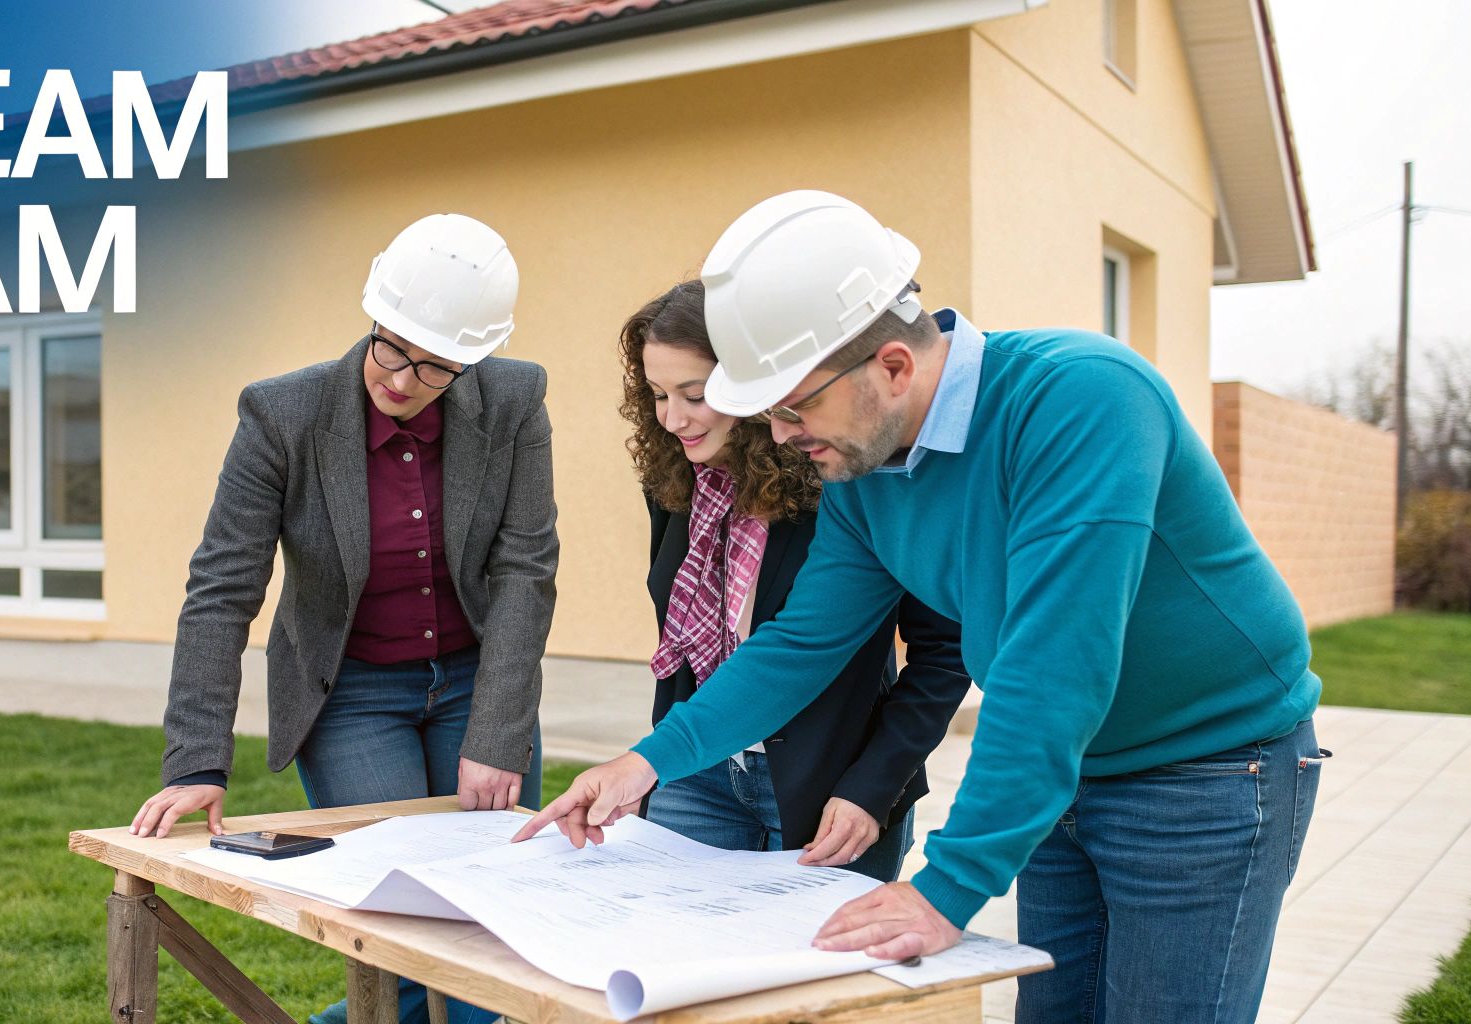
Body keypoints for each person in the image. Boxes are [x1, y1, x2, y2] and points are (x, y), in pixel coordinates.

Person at [519, 191, 1327, 1023]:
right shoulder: (866, 472)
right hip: (1072, 773)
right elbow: (802, 642)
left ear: (894, 367)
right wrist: (647, 761)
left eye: (794, 408)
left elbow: (1053, 671)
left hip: (1210, 772)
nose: (784, 435)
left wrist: (946, 889)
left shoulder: (1083, 401)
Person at [132, 213, 558, 1024]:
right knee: (405, 936)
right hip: (352, 693)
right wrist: (196, 761)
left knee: (496, 924)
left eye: (434, 367)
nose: (401, 379)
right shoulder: (281, 416)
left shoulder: (514, 402)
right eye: (390, 347)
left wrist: (499, 735)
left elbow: (525, 571)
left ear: (471, 360)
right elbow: (223, 590)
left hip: (477, 681)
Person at [620, 279, 968, 879]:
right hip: (696, 774)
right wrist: (649, 764)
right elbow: (678, 645)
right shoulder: (676, 484)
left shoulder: (850, 478)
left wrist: (873, 786)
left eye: (695, 394)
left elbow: (942, 651)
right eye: (656, 395)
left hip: (832, 786)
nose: (673, 419)